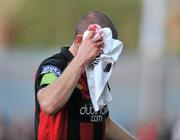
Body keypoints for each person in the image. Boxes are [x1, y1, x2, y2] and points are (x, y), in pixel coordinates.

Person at [34, 10, 136, 140]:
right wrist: (81, 60)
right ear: (80, 41)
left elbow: (104, 122)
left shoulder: (96, 75)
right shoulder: (53, 66)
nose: (102, 59)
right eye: (99, 50)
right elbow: (48, 104)